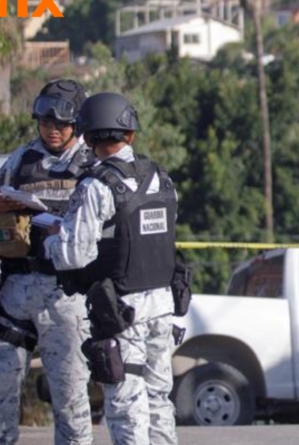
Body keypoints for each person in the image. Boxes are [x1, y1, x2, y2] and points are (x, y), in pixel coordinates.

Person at [45, 93, 180, 445]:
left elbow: (72, 255)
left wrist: (50, 240)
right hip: (163, 307)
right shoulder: (163, 180)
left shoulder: (97, 186)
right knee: (158, 399)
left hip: (123, 313)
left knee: (126, 405)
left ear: (87, 139)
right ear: (130, 134)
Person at [0, 79, 94, 445]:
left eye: (59, 124)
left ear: (77, 125)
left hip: (66, 295)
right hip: (15, 293)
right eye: (44, 122)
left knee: (70, 398)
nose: (51, 130)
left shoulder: (91, 164)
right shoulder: (21, 160)